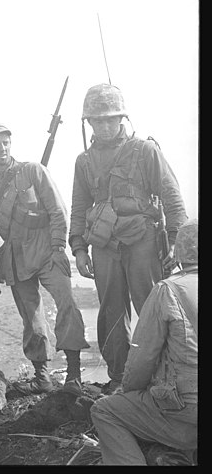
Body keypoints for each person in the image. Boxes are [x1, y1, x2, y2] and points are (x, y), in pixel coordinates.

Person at [0, 123, 89, 396]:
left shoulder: (32, 171)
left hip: (47, 249)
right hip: (16, 257)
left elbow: (58, 211)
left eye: (5, 142)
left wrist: (58, 248)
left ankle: (73, 374)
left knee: (67, 305)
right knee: (31, 318)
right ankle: (42, 376)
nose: (2, 148)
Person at [69, 83, 187, 394]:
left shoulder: (145, 151)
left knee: (152, 309)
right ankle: (120, 378)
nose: (105, 126)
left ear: (122, 118)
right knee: (110, 312)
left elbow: (172, 199)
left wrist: (174, 242)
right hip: (104, 244)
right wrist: (79, 249)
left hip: (142, 241)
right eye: (98, 120)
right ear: (89, 123)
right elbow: (79, 208)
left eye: (111, 119)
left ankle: (162, 376)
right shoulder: (84, 161)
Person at [90, 218, 198, 465]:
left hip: (187, 415)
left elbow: (141, 359)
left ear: (180, 253)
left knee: (105, 411)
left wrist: (128, 391)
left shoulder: (168, 290)